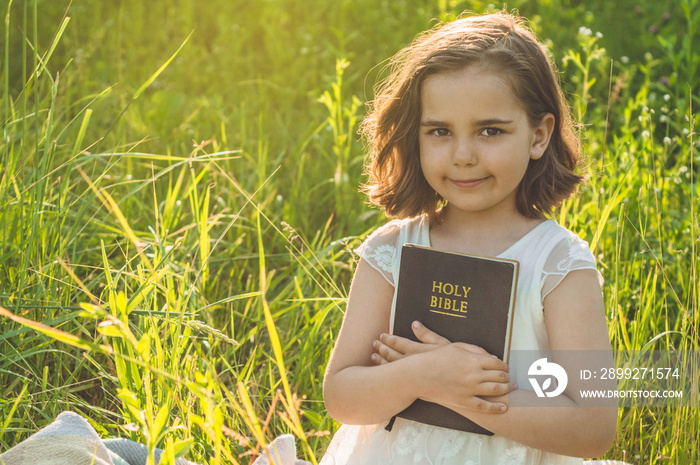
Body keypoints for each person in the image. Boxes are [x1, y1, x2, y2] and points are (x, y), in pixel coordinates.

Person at [320, 10, 617, 465]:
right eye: (440, 131)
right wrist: (424, 375)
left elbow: (593, 428)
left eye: (490, 131)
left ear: (539, 135)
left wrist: (461, 391)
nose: (462, 155)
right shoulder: (392, 249)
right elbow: (342, 396)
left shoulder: (557, 265)